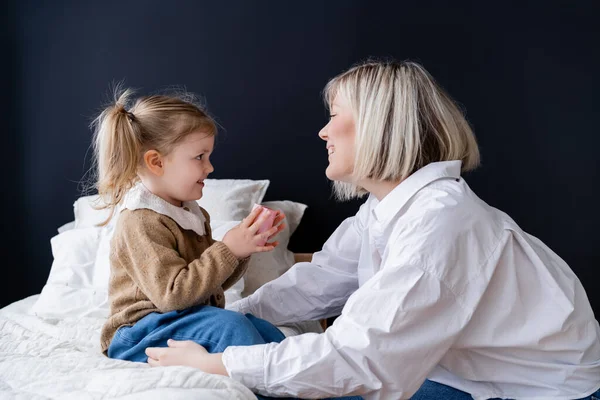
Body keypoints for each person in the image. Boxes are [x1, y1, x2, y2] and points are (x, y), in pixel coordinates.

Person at [145, 61, 600, 400]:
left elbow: (356, 356)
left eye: (335, 114)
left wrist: (219, 362)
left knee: (292, 375)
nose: (323, 131)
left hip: (538, 393)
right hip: (465, 376)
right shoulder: (384, 210)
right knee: (263, 349)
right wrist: (226, 320)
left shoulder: (440, 223)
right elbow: (315, 284)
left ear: (382, 124)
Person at [92, 87, 288, 363]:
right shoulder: (139, 220)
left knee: (264, 330)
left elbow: (207, 283)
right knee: (232, 328)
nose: (210, 168)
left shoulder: (193, 214)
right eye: (200, 157)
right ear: (156, 162)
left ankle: (310, 386)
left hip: (183, 318)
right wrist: (227, 250)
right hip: (141, 332)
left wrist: (242, 249)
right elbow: (173, 295)